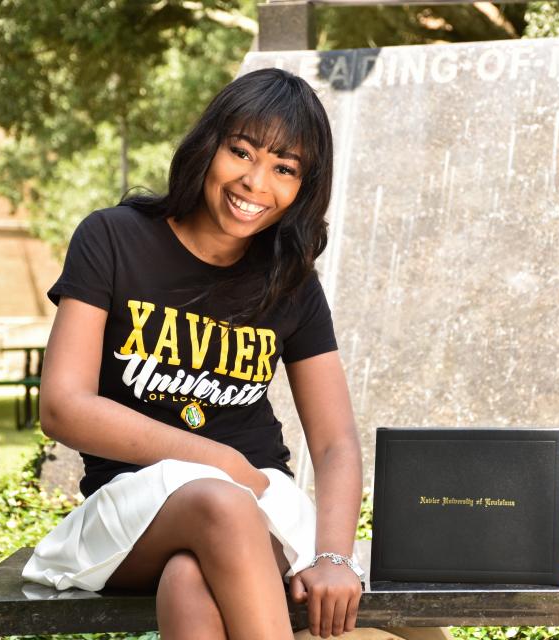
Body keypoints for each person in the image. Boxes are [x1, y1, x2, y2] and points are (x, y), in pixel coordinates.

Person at [21, 67, 364, 640]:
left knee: (189, 581)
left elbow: (334, 443)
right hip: (133, 507)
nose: (256, 182)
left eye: (285, 169)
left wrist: (334, 555)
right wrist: (220, 462)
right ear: (209, 145)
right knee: (219, 502)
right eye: (242, 152)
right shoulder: (113, 239)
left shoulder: (291, 281)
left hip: (261, 502)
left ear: (303, 188)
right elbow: (63, 406)